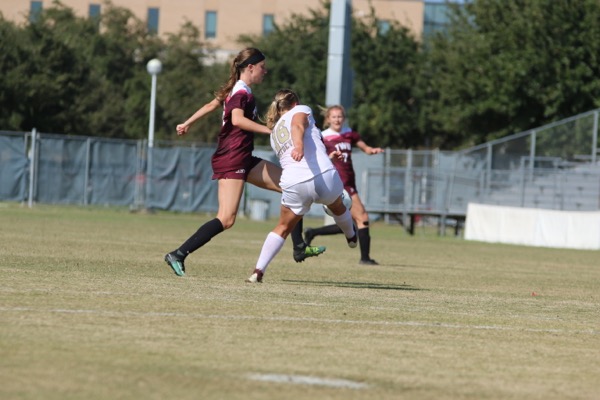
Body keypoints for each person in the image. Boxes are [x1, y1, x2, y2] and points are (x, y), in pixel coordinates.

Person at [164, 48, 325, 277]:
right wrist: (269, 130)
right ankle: (178, 254)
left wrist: (187, 122)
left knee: (291, 184)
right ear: (250, 67)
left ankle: (298, 247)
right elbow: (237, 120)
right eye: (262, 67)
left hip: (243, 157)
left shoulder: (237, 90)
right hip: (231, 158)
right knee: (226, 219)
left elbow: (211, 105)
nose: (265, 71)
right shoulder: (241, 93)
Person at [246, 89, 357, 283]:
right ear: (295, 103)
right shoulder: (301, 110)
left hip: (294, 182)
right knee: (338, 205)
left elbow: (309, 145)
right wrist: (299, 146)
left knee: (282, 227)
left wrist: (317, 153)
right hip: (323, 176)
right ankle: (351, 236)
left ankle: (258, 271)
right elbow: (298, 126)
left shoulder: (274, 133)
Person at [303, 105, 384, 265]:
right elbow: (317, 155)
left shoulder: (349, 133)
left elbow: (365, 148)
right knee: (362, 218)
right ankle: (365, 258)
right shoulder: (323, 136)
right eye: (334, 117)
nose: (337, 119)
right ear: (328, 119)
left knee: (348, 222)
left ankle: (312, 232)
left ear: (344, 118)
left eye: (340, 116)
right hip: (339, 182)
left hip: (349, 180)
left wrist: (371, 150)